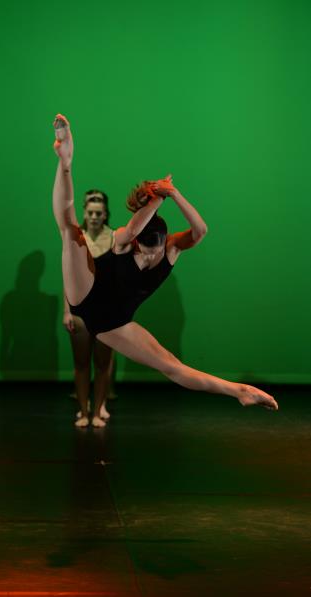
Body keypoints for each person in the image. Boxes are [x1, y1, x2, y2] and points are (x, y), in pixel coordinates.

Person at [52, 114, 278, 413]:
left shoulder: (171, 248)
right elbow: (134, 228)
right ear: (136, 243)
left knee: (171, 365)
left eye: (154, 252)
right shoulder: (124, 239)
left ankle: (240, 391)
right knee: (70, 232)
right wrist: (157, 198)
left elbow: (200, 231)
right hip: (87, 293)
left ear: (164, 243)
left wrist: (174, 193)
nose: (149, 256)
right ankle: (65, 160)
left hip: (113, 321)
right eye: (144, 251)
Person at [63, 189, 116, 428]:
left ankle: (98, 409)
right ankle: (84, 411)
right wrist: (67, 311)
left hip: (106, 310)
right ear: (84, 213)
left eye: (98, 213)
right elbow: (68, 277)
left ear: (105, 214)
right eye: (90, 213)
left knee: (103, 363)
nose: (94, 217)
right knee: (81, 362)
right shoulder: (77, 238)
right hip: (81, 309)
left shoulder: (115, 237)